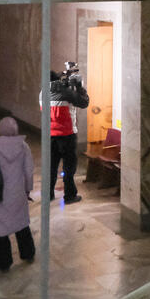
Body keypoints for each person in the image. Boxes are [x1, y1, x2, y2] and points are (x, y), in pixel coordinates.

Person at [0, 116, 35, 271]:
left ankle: (4, 263)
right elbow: (29, 171)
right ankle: (28, 253)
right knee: (21, 225)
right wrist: (28, 189)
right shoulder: (24, 147)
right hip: (17, 194)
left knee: (0, 230)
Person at [48, 60, 89, 204]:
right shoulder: (66, 93)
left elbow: (55, 86)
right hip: (67, 135)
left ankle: (48, 194)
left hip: (50, 136)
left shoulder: (43, 93)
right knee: (69, 167)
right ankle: (70, 195)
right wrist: (79, 87)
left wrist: (63, 77)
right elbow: (84, 102)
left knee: (51, 167)